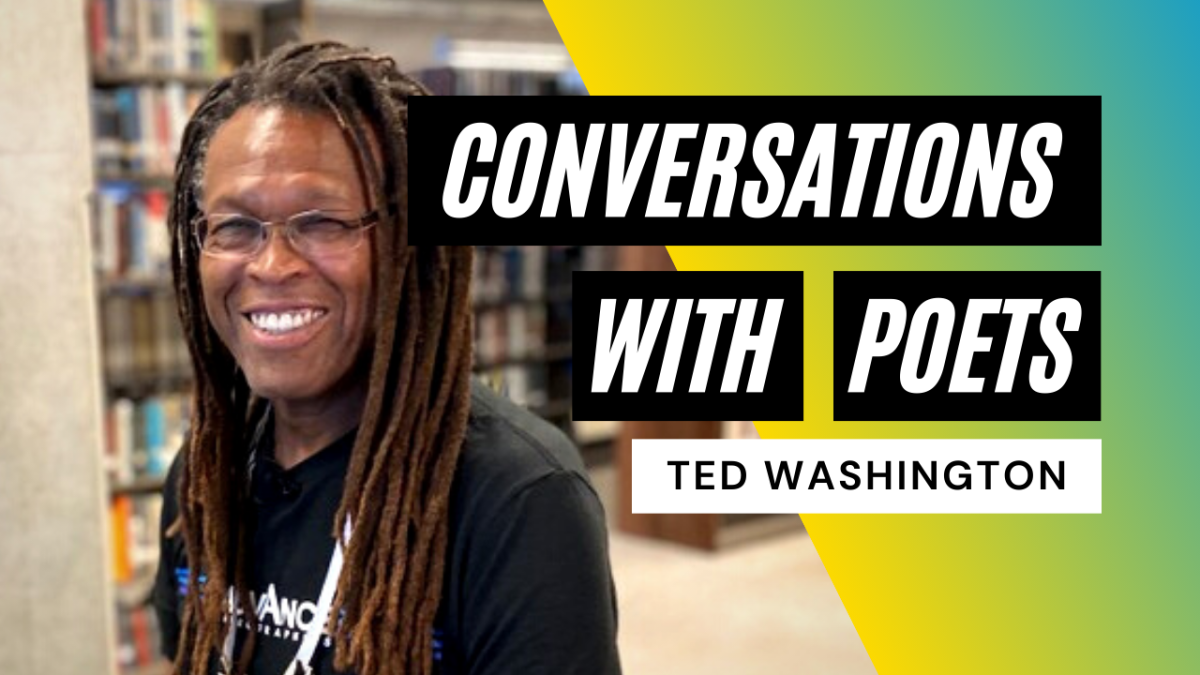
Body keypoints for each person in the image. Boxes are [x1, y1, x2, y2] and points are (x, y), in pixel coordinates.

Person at [152, 41, 621, 675]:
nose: (271, 264)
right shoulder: (204, 476)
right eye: (234, 226)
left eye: (322, 222)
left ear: (411, 245)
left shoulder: (519, 501)